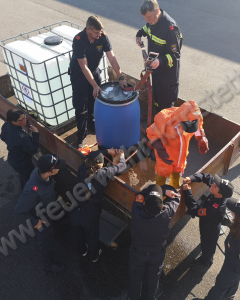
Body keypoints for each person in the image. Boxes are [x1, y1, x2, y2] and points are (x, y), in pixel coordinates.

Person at [69, 15, 128, 148]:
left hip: (94, 71)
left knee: (94, 101)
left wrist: (121, 77)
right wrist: (95, 85)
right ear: (88, 29)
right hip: (79, 75)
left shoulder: (102, 37)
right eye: (96, 32)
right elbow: (83, 67)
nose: (99, 35)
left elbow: (112, 58)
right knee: (81, 107)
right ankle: (81, 136)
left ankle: (92, 124)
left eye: (101, 32)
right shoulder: (79, 40)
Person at [197, 198, 240, 300]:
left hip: (234, 266)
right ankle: (229, 295)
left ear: (239, 217)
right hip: (235, 261)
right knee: (234, 279)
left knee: (221, 283)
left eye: (232, 210)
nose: (230, 211)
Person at [69, 148, 127, 262]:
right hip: (90, 213)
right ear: (100, 165)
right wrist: (122, 156)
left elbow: (90, 156)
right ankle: (94, 255)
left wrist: (107, 151)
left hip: (76, 209)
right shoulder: (104, 173)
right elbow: (122, 167)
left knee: (78, 234)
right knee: (92, 236)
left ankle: (82, 251)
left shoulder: (82, 168)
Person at [14, 154, 67, 272]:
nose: (59, 168)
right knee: (46, 242)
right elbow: (19, 211)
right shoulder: (33, 191)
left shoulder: (38, 171)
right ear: (49, 172)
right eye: (57, 167)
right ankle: (48, 265)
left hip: (48, 210)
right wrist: (36, 222)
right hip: (42, 218)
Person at [128, 184, 181, 300]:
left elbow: (140, 194)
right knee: (154, 278)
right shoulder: (167, 213)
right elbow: (177, 197)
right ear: (162, 206)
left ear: (144, 204)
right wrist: (164, 190)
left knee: (135, 277)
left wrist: (158, 190)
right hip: (157, 254)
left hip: (138, 252)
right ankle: (151, 297)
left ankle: (133, 297)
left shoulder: (137, 211)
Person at [146, 100, 209, 189]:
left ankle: (174, 186)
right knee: (163, 172)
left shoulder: (194, 116)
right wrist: (159, 148)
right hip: (166, 154)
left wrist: (201, 137)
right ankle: (160, 190)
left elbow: (198, 127)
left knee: (179, 169)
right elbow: (151, 133)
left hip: (181, 154)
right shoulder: (164, 120)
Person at [136, 0, 182, 111]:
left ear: (156, 11)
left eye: (149, 17)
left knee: (165, 110)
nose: (147, 21)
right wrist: (139, 34)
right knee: (156, 103)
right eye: (145, 18)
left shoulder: (170, 28)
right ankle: (156, 122)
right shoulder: (152, 21)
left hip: (167, 79)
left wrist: (160, 61)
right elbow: (147, 28)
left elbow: (175, 55)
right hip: (156, 73)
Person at [182, 173, 234, 272]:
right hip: (208, 222)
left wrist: (187, 192)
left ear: (219, 195)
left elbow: (195, 210)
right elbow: (207, 177)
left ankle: (206, 263)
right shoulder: (217, 190)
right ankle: (205, 257)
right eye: (215, 183)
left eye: (215, 186)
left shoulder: (214, 208)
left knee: (208, 246)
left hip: (210, 229)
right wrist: (191, 178)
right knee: (205, 242)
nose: (213, 184)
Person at [0, 109, 39, 191]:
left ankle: (24, 188)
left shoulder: (6, 126)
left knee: (24, 177)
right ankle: (33, 195)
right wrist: (36, 134)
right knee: (31, 179)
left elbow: (2, 137)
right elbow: (33, 151)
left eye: (24, 117)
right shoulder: (22, 138)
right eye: (22, 120)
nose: (25, 120)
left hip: (13, 158)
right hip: (23, 163)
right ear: (13, 122)